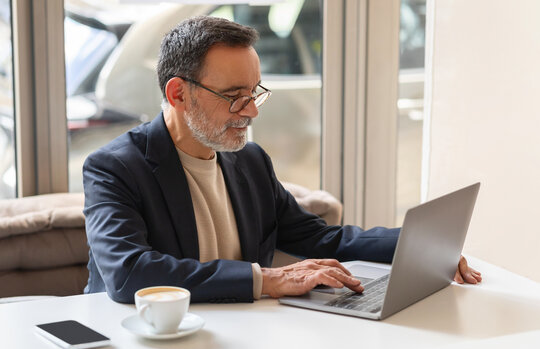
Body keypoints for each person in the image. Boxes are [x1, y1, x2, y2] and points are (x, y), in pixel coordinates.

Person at [83, 16, 481, 304]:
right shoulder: (114, 169)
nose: (252, 112)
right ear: (178, 95)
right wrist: (267, 279)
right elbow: (130, 273)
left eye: (255, 93)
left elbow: (320, 238)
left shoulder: (249, 161)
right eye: (235, 96)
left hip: (245, 336)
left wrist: (417, 245)